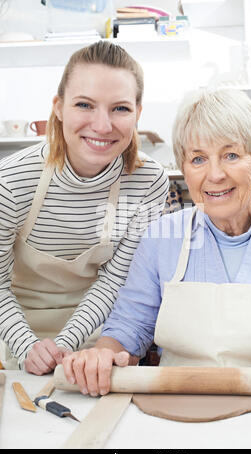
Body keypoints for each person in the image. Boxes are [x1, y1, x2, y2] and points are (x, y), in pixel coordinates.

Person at [62, 87, 251, 399]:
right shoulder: (160, 238)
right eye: (198, 159)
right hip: (176, 411)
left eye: (230, 155)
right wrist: (103, 355)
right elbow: (128, 330)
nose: (214, 174)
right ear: (183, 169)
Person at [0, 41, 169, 373]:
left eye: (120, 108)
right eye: (84, 105)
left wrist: (65, 349)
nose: (102, 125)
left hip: (97, 343)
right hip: (15, 336)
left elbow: (113, 282)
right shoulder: (11, 181)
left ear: (138, 113)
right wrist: (28, 348)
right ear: (59, 107)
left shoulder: (148, 182)